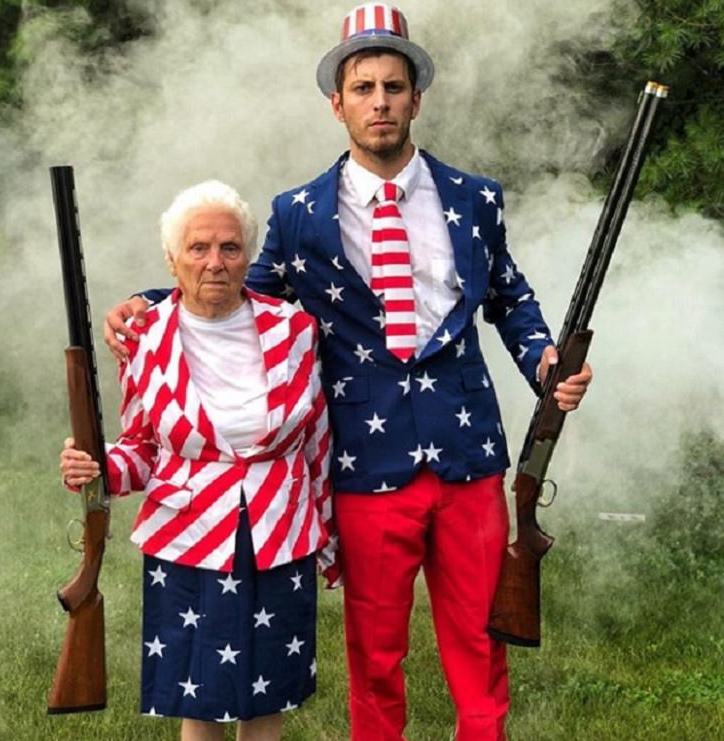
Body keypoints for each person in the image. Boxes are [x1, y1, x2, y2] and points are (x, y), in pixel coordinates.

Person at [103, 5, 592, 740]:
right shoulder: (300, 214)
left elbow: (510, 299)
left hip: (468, 460)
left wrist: (547, 362)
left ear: (416, 98)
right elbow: (242, 287)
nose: (381, 101)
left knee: (479, 641)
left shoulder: (473, 198)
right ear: (338, 102)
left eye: (394, 86)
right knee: (375, 652)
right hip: (366, 464)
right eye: (363, 87)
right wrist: (146, 303)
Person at [61, 180, 339, 741]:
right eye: (198, 248)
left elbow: (317, 443)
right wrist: (99, 469)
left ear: (249, 256)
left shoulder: (297, 331)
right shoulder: (146, 338)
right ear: (172, 259)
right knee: (202, 699)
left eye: (230, 248)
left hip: (278, 532)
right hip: (188, 537)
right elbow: (141, 446)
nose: (215, 262)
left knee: (266, 701)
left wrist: (328, 537)